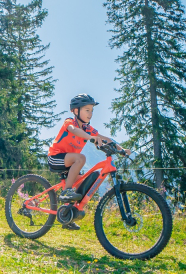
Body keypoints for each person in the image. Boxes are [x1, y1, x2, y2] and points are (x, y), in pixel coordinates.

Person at [47, 94, 130, 230]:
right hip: (56, 158)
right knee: (81, 158)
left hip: (70, 162)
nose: (90, 114)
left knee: (85, 183)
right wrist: (91, 138)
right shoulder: (69, 122)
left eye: (92, 110)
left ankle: (68, 215)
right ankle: (66, 191)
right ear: (75, 111)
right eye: (87, 110)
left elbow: (106, 138)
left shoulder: (88, 128)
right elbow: (75, 131)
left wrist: (122, 150)